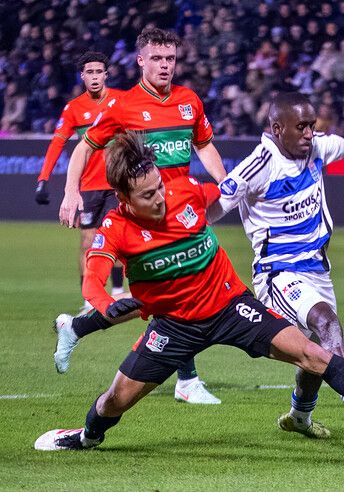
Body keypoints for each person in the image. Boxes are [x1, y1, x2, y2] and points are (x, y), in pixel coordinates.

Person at [34, 130, 344, 452]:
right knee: (115, 401)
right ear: (123, 198)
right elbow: (94, 277)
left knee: (314, 353)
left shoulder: (187, 191)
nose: (160, 198)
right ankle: (85, 437)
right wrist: (104, 305)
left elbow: (237, 193)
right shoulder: (116, 230)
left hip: (232, 306)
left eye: (159, 186)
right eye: (147, 195)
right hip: (174, 326)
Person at [207, 67, 344, 438]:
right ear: (278, 129)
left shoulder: (317, 147)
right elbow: (211, 210)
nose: (310, 134)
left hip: (317, 269)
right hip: (278, 274)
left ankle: (299, 417)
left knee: (316, 352)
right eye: (302, 127)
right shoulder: (256, 167)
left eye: (312, 125)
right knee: (328, 325)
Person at [55, 28, 226, 404]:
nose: (165, 66)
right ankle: (186, 379)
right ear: (141, 61)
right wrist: (71, 191)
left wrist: (227, 185)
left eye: (170, 59)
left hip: (182, 214)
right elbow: (84, 148)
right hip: (144, 217)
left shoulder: (189, 101)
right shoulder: (122, 106)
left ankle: (77, 328)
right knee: (175, 295)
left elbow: (205, 145)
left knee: (168, 297)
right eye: (157, 59)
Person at [35, 52, 128, 312]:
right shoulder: (74, 108)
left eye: (99, 71)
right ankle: (88, 298)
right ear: (83, 76)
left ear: (106, 74)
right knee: (88, 241)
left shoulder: (122, 100)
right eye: (90, 72)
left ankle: (118, 291)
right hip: (87, 187)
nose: (95, 76)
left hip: (117, 184)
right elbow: (57, 143)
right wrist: (43, 179)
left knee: (117, 238)